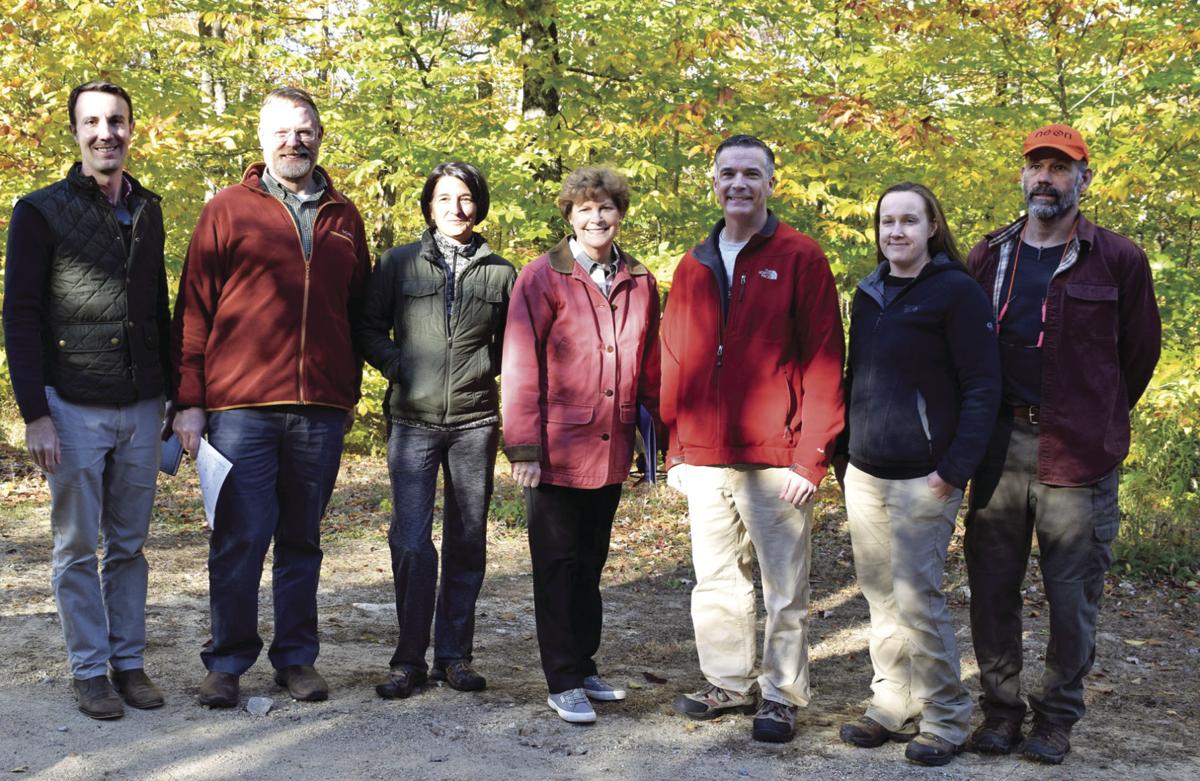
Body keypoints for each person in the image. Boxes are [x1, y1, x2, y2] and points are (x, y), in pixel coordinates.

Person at [964, 124, 1161, 764]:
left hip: (1078, 451)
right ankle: (1000, 712)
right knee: (992, 587)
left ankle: (1055, 719)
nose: (1045, 178)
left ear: (1084, 178)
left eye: (1060, 167)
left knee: (1072, 597)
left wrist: (1095, 415)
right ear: (1022, 175)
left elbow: (1139, 355)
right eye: (1036, 166)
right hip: (999, 447)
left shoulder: (1118, 259)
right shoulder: (989, 255)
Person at [171, 87, 371, 708]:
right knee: (240, 537)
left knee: (302, 540)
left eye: (305, 130)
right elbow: (194, 310)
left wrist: (348, 387)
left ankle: (296, 659)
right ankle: (227, 661)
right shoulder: (227, 209)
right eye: (282, 131)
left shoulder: (345, 217)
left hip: (320, 410)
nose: (294, 141)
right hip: (240, 408)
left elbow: (357, 313)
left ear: (320, 136)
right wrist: (189, 400)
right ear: (262, 140)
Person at [661, 135, 845, 743]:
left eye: (751, 174)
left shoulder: (800, 256)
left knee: (784, 587)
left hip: (778, 457)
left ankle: (781, 694)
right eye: (728, 173)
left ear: (771, 183)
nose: (738, 183)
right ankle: (729, 683)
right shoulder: (693, 264)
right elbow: (674, 359)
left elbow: (825, 360)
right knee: (716, 579)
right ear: (713, 183)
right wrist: (676, 448)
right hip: (704, 455)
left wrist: (812, 455)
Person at [3, 79, 171, 720]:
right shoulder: (39, 211)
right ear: (75, 132)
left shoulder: (148, 209)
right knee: (76, 547)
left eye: (117, 121)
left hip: (141, 405)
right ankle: (89, 671)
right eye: (93, 122)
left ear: (131, 129)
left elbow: (156, 308)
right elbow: (19, 315)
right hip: (70, 406)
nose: (107, 133)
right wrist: (35, 414)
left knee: (129, 545)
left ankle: (128, 663)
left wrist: (170, 393)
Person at [835, 183, 1000, 765]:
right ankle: (892, 701)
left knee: (917, 598)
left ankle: (946, 717)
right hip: (865, 472)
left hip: (924, 477)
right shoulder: (869, 293)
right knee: (881, 597)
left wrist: (953, 469)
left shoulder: (957, 292)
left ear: (932, 227)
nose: (896, 231)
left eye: (909, 220)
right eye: (887, 221)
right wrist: (844, 456)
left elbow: (983, 387)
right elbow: (856, 376)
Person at [501, 166, 660, 724]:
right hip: (555, 449)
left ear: (620, 214)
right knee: (557, 564)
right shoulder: (541, 276)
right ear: (569, 215)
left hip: (612, 445)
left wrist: (653, 443)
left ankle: (585, 664)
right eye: (585, 209)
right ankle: (562, 678)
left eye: (606, 208)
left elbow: (649, 366)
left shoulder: (640, 279)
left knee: (591, 563)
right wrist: (523, 448)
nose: (597, 218)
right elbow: (520, 363)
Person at [357, 162, 516, 700]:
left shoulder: (502, 273)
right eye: (444, 198)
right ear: (429, 206)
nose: (456, 207)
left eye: (465, 197)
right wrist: (397, 365)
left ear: (479, 205)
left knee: (467, 539)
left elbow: (514, 346)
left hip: (475, 422)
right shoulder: (398, 263)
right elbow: (367, 328)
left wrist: (483, 370)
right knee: (410, 541)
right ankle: (408, 660)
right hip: (412, 420)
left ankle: (454, 656)